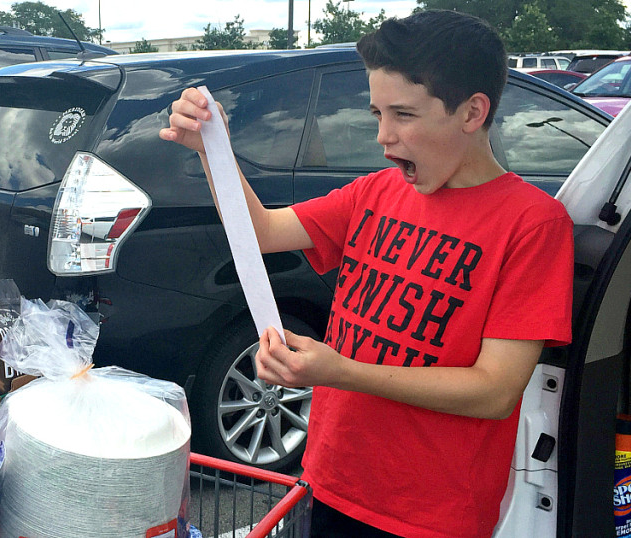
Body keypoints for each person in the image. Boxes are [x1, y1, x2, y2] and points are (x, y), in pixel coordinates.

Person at [159, 10, 574, 538]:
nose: (383, 136)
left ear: (472, 112)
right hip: (330, 477)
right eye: (377, 112)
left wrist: (340, 371)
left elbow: (495, 390)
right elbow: (262, 231)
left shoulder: (533, 224)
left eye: (403, 114)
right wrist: (211, 151)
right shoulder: (375, 192)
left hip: (430, 514)